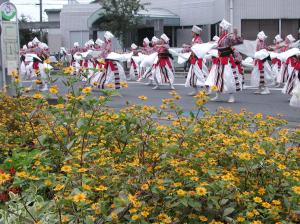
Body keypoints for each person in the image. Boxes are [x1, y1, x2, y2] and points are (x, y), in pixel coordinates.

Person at [209, 19, 242, 103]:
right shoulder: (221, 37)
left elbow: (236, 42)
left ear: (224, 28)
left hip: (227, 60)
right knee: (218, 77)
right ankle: (217, 94)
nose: (219, 29)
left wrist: (235, 34)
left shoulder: (228, 36)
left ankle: (231, 96)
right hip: (220, 59)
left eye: (220, 28)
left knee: (229, 77)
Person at [183, 25, 208, 96]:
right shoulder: (194, 40)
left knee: (201, 75)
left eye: (192, 32)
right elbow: (191, 48)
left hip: (198, 60)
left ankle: (205, 90)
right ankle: (195, 90)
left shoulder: (198, 40)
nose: (191, 33)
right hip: (193, 60)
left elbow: (195, 48)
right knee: (192, 75)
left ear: (195, 33)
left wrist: (186, 47)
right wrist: (186, 48)